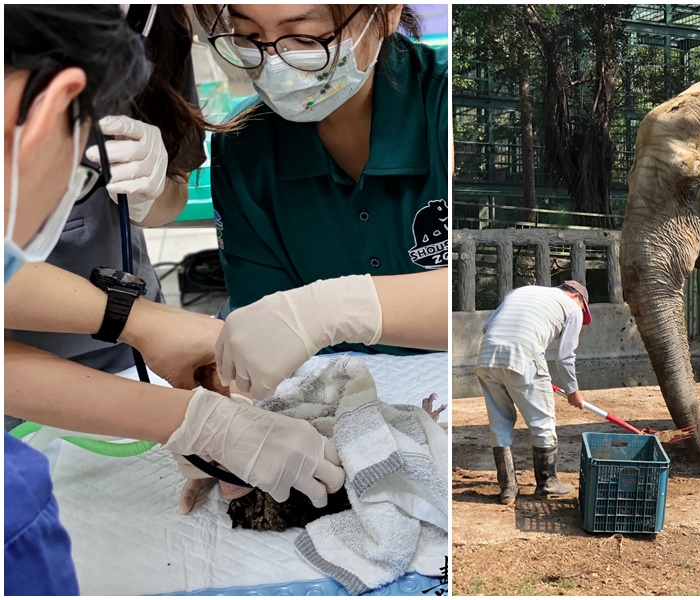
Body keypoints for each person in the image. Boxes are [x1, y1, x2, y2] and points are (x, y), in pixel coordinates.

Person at [4, 6, 344, 593]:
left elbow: (166, 194)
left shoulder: (159, 26)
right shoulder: (20, 507)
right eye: (78, 173)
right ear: (44, 113)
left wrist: (152, 347)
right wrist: (189, 418)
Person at [194, 4, 449, 400]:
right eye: (247, 37)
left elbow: (480, 300)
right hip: (333, 395)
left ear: (386, 13)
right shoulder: (245, 148)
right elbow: (265, 331)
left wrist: (332, 310)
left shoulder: (445, 104)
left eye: (306, 37)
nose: (274, 64)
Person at [5, 5, 207, 378]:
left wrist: (152, 193)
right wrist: (136, 319)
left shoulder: (158, 23)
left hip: (126, 353)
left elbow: (175, 191)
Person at [476, 281, 592, 504]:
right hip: (525, 355)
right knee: (543, 423)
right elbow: (565, 356)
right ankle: (547, 482)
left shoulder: (522, 291)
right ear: (579, 299)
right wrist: (573, 390)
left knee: (499, 423)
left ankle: (508, 489)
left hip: (488, 355)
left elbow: (487, 326)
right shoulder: (573, 308)